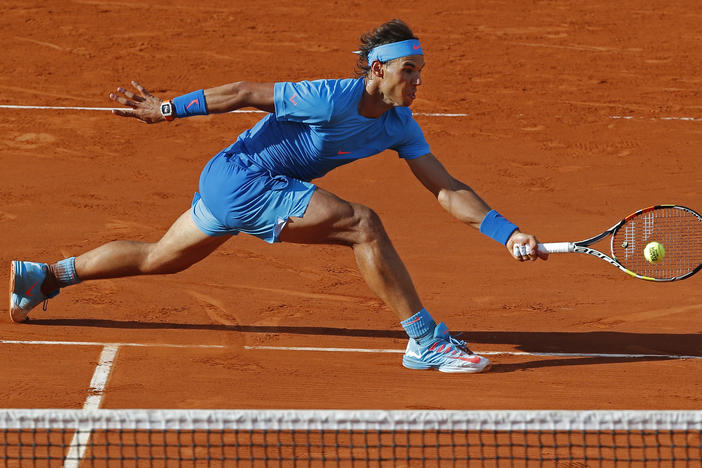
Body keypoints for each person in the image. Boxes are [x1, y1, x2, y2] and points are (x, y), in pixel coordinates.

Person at [9, 19, 546, 373]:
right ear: (379, 68)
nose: (417, 82)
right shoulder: (331, 96)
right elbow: (244, 94)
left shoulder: (400, 127)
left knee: (159, 258)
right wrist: (167, 108)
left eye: (421, 73)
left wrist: (508, 232)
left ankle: (47, 276)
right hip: (243, 177)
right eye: (410, 71)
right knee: (363, 223)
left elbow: (448, 190)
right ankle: (425, 340)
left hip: (230, 184)